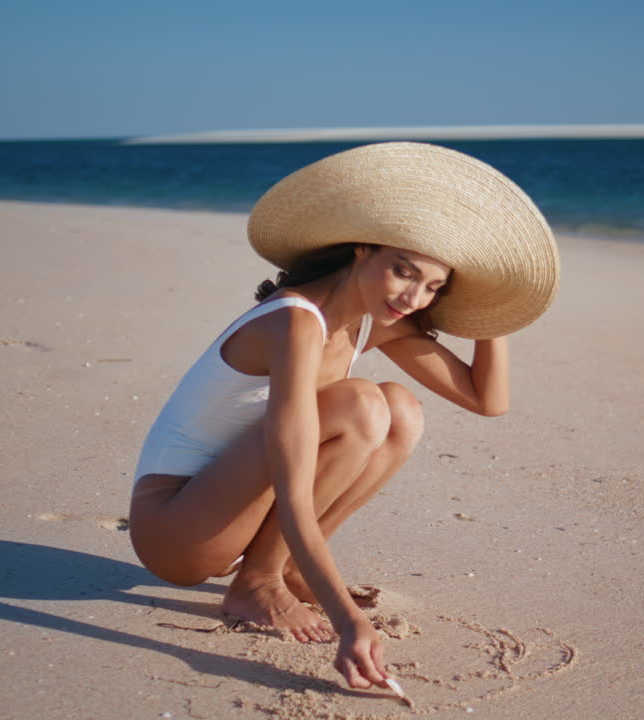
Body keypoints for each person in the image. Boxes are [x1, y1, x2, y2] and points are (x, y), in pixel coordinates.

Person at [128, 142, 560, 689]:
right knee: (361, 403)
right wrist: (348, 620)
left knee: (401, 410)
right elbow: (290, 481)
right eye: (403, 272)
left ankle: (281, 569)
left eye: (434, 287)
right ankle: (257, 581)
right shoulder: (294, 321)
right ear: (361, 248)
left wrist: (492, 310)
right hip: (177, 530)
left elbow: (486, 400)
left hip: (230, 506)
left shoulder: (371, 320)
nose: (414, 297)